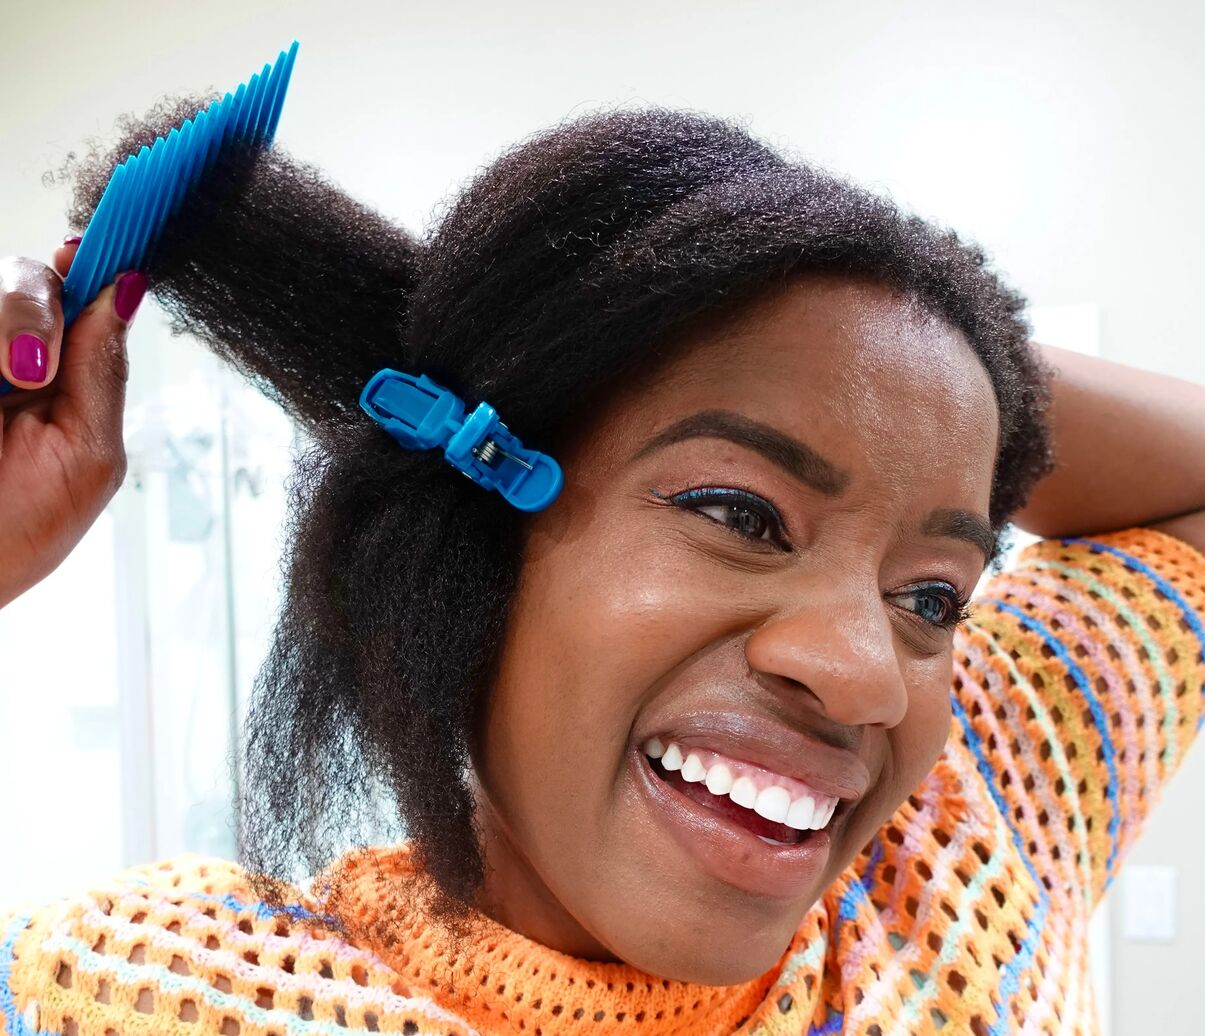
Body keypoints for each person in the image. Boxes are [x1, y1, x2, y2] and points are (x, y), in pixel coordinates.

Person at [1, 106, 1202, 1036]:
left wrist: (926, 343)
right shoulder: (147, 995)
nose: (862, 677)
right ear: (467, 543)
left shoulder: (966, 839)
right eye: (739, 511)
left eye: (931, 595)